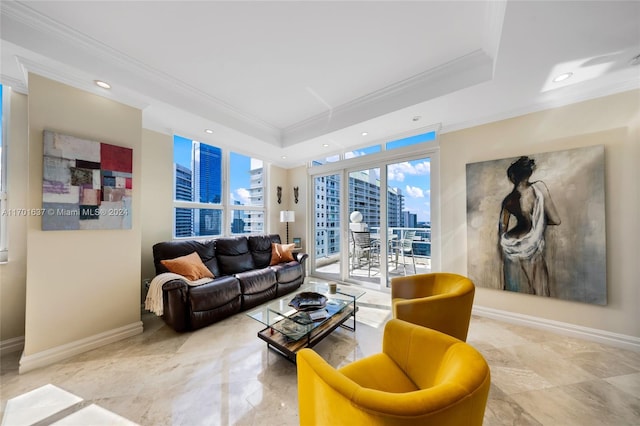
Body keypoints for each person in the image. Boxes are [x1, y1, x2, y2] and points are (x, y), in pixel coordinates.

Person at [498, 156, 561, 295]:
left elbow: (502, 229)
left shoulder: (507, 201)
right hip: (532, 247)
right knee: (540, 292)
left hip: (510, 249)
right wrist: (539, 221)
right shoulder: (539, 190)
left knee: (513, 292)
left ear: (512, 177)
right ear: (528, 174)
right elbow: (556, 220)